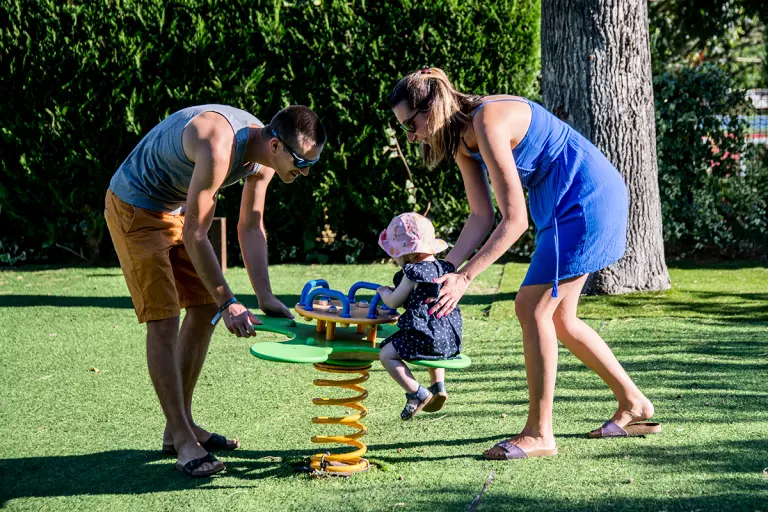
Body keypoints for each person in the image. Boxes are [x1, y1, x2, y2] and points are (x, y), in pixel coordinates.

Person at [389, 67, 658, 459]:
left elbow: (514, 221)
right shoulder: (461, 141)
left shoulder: (487, 120)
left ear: (433, 106)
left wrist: (466, 277)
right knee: (560, 318)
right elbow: (481, 215)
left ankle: (539, 433)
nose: (411, 136)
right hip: (558, 203)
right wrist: (446, 270)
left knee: (531, 307)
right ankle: (634, 404)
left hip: (584, 197)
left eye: (410, 124)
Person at [104, 104, 326, 476]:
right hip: (135, 207)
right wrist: (229, 302)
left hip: (176, 209)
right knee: (164, 318)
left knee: (204, 306)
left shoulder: (263, 159)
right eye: (302, 163)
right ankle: (182, 439)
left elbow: (250, 225)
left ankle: (180, 427)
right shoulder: (219, 145)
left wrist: (264, 295)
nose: (304, 172)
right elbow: (196, 233)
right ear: (276, 145)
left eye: (312, 164)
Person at [376, 212, 463, 420]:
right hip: (450, 341)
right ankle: (438, 385)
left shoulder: (413, 273)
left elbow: (393, 302)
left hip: (425, 339)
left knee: (386, 354)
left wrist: (384, 293)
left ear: (409, 254)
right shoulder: (444, 268)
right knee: (435, 332)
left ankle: (416, 393)